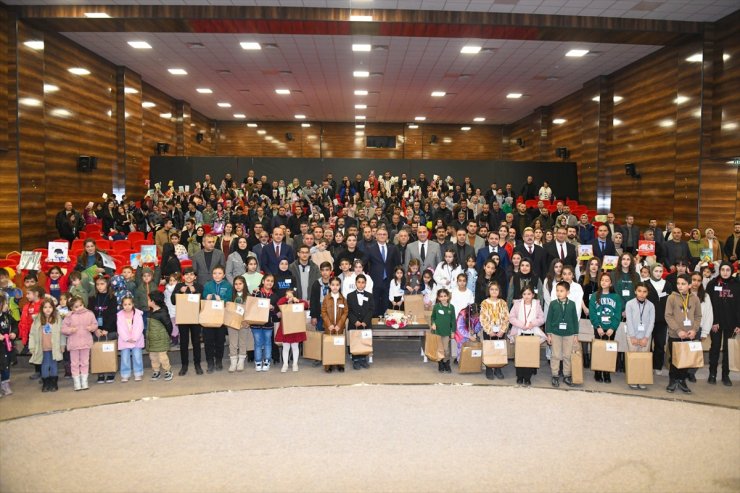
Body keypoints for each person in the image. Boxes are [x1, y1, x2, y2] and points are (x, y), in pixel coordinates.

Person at [664, 274, 701, 394]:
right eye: (678, 283)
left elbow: (697, 316)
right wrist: (678, 330)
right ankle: (673, 380)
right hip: (675, 335)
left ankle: (682, 380)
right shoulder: (672, 298)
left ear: (690, 285)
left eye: (683, 284)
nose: (680, 286)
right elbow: (668, 316)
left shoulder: (695, 299)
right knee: (674, 359)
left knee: (686, 359)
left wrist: (694, 330)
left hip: (689, 335)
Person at [706, 262, 740, 386]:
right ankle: (712, 374)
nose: (725, 272)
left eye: (727, 270)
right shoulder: (712, 284)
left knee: (728, 349)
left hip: (731, 323)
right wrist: (713, 321)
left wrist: (738, 324)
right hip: (716, 323)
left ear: (731, 271)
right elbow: (708, 305)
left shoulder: (737, 285)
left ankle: (726, 375)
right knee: (715, 348)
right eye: (723, 270)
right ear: (719, 271)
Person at [508, 286, 546, 386]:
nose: (526, 296)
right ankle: (519, 376)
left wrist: (532, 324)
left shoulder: (536, 304)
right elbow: (511, 318)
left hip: (532, 333)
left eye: (529, 294)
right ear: (522, 295)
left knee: (529, 356)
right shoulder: (517, 304)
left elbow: (542, 318)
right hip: (520, 333)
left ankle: (527, 377)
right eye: (524, 294)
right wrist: (521, 325)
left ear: (533, 295)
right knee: (520, 355)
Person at [589, 272, 622, 384]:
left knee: (609, 350)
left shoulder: (616, 297)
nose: (604, 282)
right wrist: (597, 326)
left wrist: (612, 328)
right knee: (598, 349)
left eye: (607, 280)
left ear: (611, 283)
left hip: (610, 329)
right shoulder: (595, 296)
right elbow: (592, 313)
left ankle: (606, 372)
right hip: (599, 328)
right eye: (602, 280)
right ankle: (597, 372)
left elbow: (618, 314)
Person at [545, 281, 579, 388]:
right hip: (555, 333)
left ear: (567, 292)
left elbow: (575, 320)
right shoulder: (553, 303)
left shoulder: (572, 304)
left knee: (567, 355)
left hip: (569, 333)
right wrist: (549, 334)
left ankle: (566, 375)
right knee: (555, 355)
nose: (559, 293)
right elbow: (549, 319)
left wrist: (576, 334)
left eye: (561, 291)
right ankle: (555, 375)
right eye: (557, 291)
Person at [61, 296, 98, 391]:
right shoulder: (69, 316)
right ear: (71, 308)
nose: (79, 308)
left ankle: (84, 381)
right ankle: (77, 382)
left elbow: (95, 324)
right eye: (76, 307)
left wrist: (92, 328)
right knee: (74, 363)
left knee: (85, 362)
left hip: (86, 342)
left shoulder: (89, 314)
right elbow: (63, 329)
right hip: (74, 344)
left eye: (81, 305)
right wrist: (70, 330)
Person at [202, 265, 232, 373]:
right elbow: (203, 297)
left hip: (221, 316)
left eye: (219, 273)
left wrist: (222, 299)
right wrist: (207, 297)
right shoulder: (207, 285)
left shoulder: (228, 285)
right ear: (212, 274)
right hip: (209, 316)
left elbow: (229, 299)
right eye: (215, 273)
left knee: (220, 340)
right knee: (208, 341)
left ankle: (218, 360)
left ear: (224, 275)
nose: (217, 275)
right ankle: (210, 362)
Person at [624, 282, 655, 390]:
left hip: (645, 337)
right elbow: (629, 321)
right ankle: (633, 379)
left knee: (643, 360)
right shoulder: (629, 304)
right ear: (635, 291)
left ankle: (642, 379)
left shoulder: (651, 305)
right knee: (633, 359)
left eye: (644, 292)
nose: (642, 294)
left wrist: (646, 337)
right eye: (639, 291)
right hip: (632, 336)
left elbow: (651, 322)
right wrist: (632, 336)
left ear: (648, 293)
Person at [29, 299, 63, 392]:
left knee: (53, 365)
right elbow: (32, 334)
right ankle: (45, 383)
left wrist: (62, 345)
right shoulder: (37, 319)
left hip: (54, 347)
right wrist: (32, 347)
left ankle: (54, 382)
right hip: (42, 347)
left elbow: (62, 333)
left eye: (50, 307)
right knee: (44, 365)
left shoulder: (57, 318)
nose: (48, 309)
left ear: (53, 308)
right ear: (41, 309)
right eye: (45, 307)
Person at [89, 276, 118, 384]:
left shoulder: (112, 298)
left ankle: (110, 371)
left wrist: (106, 328)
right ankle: (100, 373)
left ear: (107, 285)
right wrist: (96, 329)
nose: (100, 286)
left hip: (109, 329)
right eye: (97, 284)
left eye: (102, 284)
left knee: (108, 350)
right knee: (97, 351)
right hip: (96, 329)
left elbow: (112, 314)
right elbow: (90, 314)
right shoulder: (92, 298)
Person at [366, 227, 401, 316]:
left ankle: (387, 321)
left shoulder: (393, 248)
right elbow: (365, 263)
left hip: (389, 280)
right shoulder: (370, 248)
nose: (382, 236)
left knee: (387, 302)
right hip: (375, 280)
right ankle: (374, 321)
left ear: (387, 236)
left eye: (384, 234)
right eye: (380, 234)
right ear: (376, 236)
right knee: (375, 302)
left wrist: (397, 278)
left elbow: (398, 264)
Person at [646, 263, 673, 375]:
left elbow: (671, 302)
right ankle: (647, 365)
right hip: (647, 320)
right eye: (656, 271)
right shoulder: (645, 284)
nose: (658, 273)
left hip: (662, 320)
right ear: (651, 271)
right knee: (646, 344)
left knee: (660, 344)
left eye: (660, 271)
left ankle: (657, 366)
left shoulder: (667, 284)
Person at [479, 281, 509, 380]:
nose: (494, 291)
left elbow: (506, 318)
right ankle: (488, 368)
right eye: (492, 289)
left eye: (496, 289)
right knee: (489, 348)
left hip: (500, 331)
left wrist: (502, 330)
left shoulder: (503, 303)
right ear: (489, 291)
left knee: (498, 349)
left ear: (499, 291)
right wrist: (489, 330)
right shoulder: (484, 303)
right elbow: (483, 318)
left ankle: (497, 368)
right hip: (489, 331)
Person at [275, 288, 309, 373]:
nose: (289, 296)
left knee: (295, 346)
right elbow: (278, 303)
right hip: (285, 328)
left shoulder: (298, 302)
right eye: (287, 294)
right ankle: (285, 364)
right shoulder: (283, 305)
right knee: (285, 347)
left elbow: (306, 305)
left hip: (296, 328)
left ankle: (295, 363)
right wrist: (286, 298)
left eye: (291, 294)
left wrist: (296, 300)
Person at [687, 272, 713, 384]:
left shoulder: (705, 296)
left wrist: (705, 332)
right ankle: (682, 371)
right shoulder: (683, 293)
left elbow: (708, 314)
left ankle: (691, 373)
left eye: (698, 280)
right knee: (684, 351)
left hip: (698, 328)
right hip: (684, 328)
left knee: (695, 351)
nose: (695, 283)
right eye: (693, 279)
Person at [251, 274, 280, 372]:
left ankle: (267, 361)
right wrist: (254, 294)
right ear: (263, 281)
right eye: (267, 280)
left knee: (268, 343)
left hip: (268, 323)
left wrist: (273, 308)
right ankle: (258, 361)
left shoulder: (275, 296)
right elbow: (251, 306)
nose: (270, 283)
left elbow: (277, 312)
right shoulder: (256, 292)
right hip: (256, 323)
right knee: (258, 343)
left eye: (272, 281)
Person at [346, 274, 374, 371]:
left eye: (363, 282)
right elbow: (348, 311)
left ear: (365, 284)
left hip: (365, 323)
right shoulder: (349, 296)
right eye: (359, 282)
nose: (361, 284)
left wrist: (365, 321)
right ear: (355, 283)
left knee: (364, 341)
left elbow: (371, 310)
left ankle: (363, 359)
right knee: (355, 341)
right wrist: (355, 321)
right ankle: (356, 360)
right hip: (354, 323)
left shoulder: (369, 296)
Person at [321, 277, 348, 373]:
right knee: (329, 345)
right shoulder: (326, 298)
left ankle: (339, 363)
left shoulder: (343, 299)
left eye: (337, 285)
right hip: (329, 327)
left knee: (338, 344)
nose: (335, 287)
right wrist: (329, 324)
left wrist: (339, 325)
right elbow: (323, 312)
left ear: (340, 286)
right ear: (329, 286)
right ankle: (329, 365)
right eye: (333, 285)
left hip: (339, 327)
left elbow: (345, 312)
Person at [117, 295, 145, 383]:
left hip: (137, 340)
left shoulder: (138, 314)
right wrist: (127, 338)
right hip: (124, 340)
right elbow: (120, 328)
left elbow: (140, 326)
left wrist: (135, 338)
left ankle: (138, 373)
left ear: (133, 304)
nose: (127, 306)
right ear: (122, 305)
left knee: (137, 357)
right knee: (125, 358)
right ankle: (125, 374)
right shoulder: (119, 315)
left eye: (129, 304)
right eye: (125, 304)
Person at [430, 288, 455, 373]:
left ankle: (446, 362)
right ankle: (440, 363)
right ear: (438, 298)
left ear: (448, 297)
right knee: (439, 348)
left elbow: (453, 320)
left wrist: (453, 331)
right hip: (437, 332)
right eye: (441, 296)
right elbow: (433, 317)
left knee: (446, 349)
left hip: (446, 332)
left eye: (445, 296)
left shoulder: (451, 307)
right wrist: (433, 323)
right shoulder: (436, 306)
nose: (443, 298)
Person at [0, 294, 18, 396]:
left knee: (6, 364)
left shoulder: (7, 316)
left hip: (7, 345)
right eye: (5, 303)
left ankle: (5, 383)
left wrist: (14, 333)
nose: (7, 305)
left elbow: (15, 325)